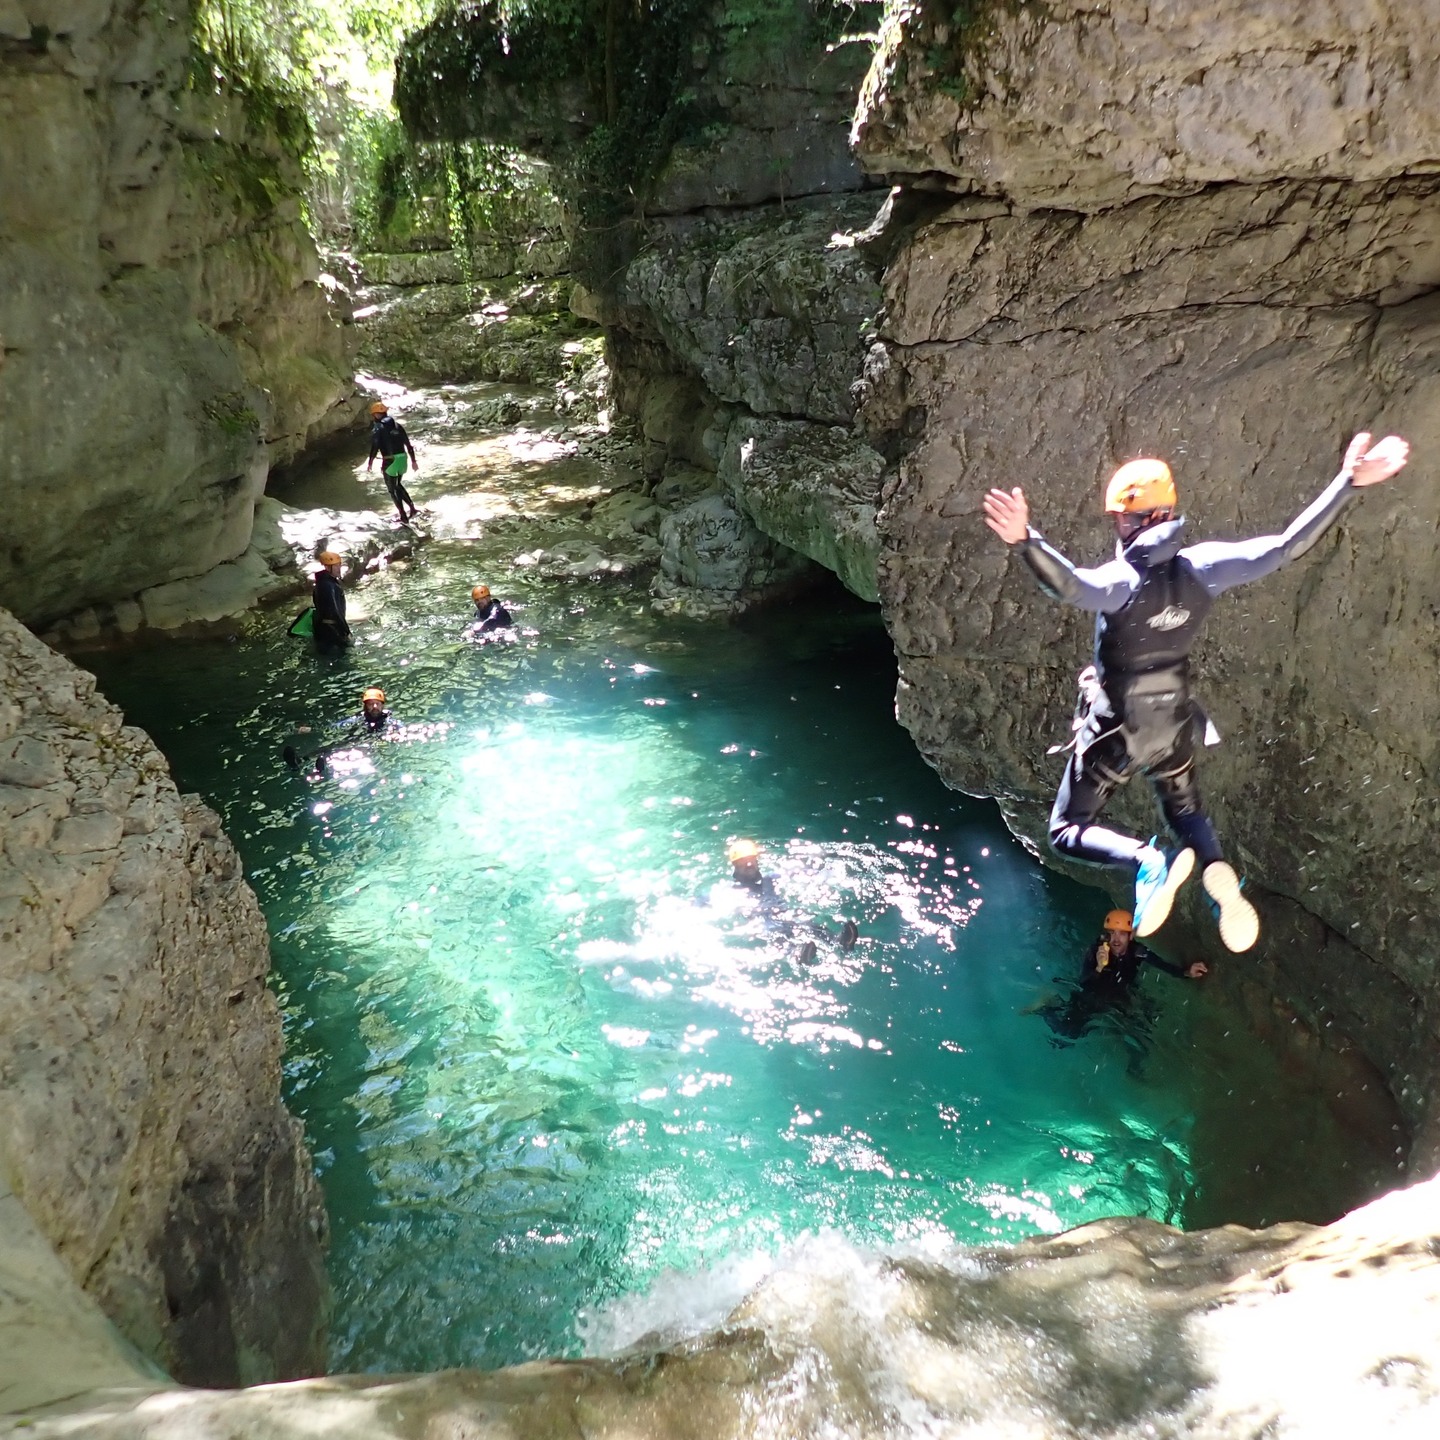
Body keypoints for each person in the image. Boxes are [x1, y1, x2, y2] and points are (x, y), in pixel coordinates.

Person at [982, 431, 1411, 952]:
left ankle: (1146, 861)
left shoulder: (1122, 581)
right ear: (1168, 512)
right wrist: (1347, 484)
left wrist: (1026, 540)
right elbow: (1285, 546)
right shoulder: (1202, 568)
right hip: (1177, 723)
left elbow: (1070, 586)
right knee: (1185, 812)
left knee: (1067, 829)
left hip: (1119, 728)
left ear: (1127, 520)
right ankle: (1215, 870)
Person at [1041, 909, 1206, 1045]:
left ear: (1130, 936)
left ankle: (1135, 1064)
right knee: (1068, 1034)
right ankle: (1047, 1006)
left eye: (1122, 934)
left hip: (1120, 993)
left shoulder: (1137, 951)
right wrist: (1099, 967)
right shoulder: (1096, 950)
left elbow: (1162, 965)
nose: (1116, 939)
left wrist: (1186, 972)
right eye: (1112, 933)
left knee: (1142, 1030)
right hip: (1093, 993)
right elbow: (1084, 982)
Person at [366, 401, 418, 524]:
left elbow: (375, 445)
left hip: (390, 460)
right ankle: (412, 508)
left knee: (392, 490)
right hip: (403, 459)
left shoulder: (378, 427)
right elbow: (408, 445)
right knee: (398, 485)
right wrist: (413, 461)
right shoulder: (397, 426)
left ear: (376, 415)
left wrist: (370, 462)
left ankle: (403, 516)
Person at [311, 550, 350, 651]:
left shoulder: (322, 582)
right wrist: (346, 630)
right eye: (336, 566)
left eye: (339, 565)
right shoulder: (328, 585)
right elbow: (334, 610)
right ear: (327, 567)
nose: (339, 568)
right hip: (331, 630)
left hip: (323, 628)